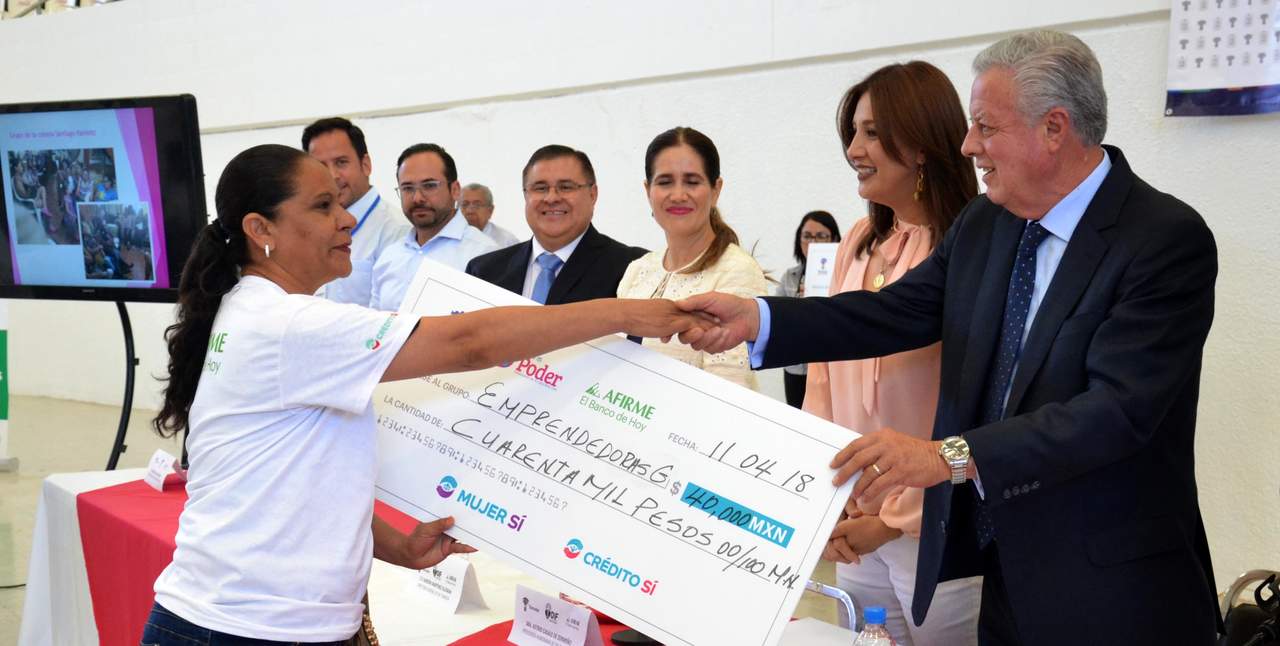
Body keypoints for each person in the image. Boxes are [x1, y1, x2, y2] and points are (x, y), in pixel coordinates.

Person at [679, 30, 1220, 646]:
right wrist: (758, 319)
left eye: (986, 127)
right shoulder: (988, 223)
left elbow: (1116, 412)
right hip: (1002, 579)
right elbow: (891, 313)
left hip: (1113, 590)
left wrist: (946, 456)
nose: (967, 146)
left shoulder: (1162, 239)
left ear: (1054, 128)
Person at [143, 144, 706, 645]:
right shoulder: (290, 324)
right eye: (323, 206)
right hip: (246, 628)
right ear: (260, 229)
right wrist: (626, 314)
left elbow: (297, 479)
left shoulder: (254, 311)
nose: (346, 219)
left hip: (245, 619)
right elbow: (470, 343)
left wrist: (395, 545)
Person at [803, 61, 981, 645]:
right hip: (857, 520)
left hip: (937, 523)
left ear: (924, 143)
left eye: (874, 133)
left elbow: (974, 404)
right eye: (853, 132)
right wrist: (828, 499)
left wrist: (893, 520)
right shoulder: (858, 241)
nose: (854, 149)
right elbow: (823, 378)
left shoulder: (970, 245)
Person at [617, 127, 769, 390]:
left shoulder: (737, 271)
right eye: (665, 182)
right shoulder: (637, 269)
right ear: (648, 190)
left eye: (692, 181)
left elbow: (727, 391)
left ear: (716, 189)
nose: (678, 195)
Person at [467, 145, 646, 304]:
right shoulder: (483, 273)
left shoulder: (635, 269)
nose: (552, 198)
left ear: (593, 194)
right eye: (540, 188)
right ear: (525, 196)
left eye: (566, 187)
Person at [369, 143, 499, 310]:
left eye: (429, 185)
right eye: (407, 188)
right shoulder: (389, 257)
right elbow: (377, 322)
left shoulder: (484, 254)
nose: (417, 198)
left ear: (455, 190)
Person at [302, 117, 407, 305]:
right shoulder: (307, 228)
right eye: (321, 166)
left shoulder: (396, 230)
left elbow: (392, 314)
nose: (332, 175)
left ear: (365, 165)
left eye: (341, 162)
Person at [776, 210, 841, 408]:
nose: (813, 242)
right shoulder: (790, 277)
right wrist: (798, 305)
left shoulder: (844, 276)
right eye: (807, 236)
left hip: (832, 366)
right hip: (796, 366)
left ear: (834, 240)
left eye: (821, 236)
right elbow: (779, 319)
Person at [460, 182, 520, 248]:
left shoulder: (507, 242)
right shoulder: (452, 238)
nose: (470, 211)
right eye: (464, 204)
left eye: (477, 205)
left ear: (490, 210)